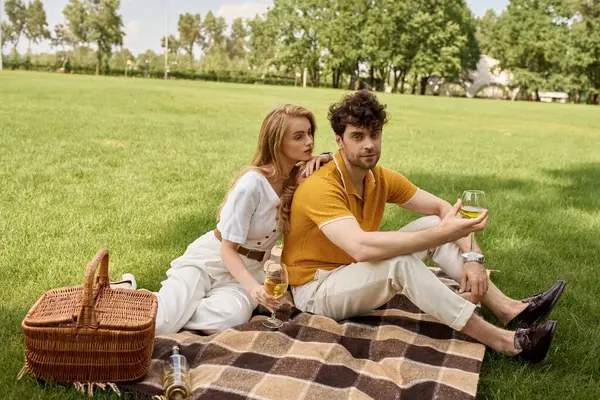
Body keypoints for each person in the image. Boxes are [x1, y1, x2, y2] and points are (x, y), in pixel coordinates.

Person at [282, 90, 565, 363]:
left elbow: (444, 210)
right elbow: (361, 247)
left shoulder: (378, 178)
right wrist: (443, 232)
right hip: (317, 289)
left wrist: (473, 258)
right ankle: (506, 342)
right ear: (339, 141)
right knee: (402, 262)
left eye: (375, 134)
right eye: (357, 136)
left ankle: (509, 310)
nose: (369, 144)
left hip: (354, 273)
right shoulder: (319, 186)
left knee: (433, 223)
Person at [116, 104, 332, 335]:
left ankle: (166, 304)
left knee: (228, 319)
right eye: (298, 137)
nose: (309, 142)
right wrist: (255, 290)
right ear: (277, 142)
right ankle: (136, 295)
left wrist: (325, 157)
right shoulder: (252, 185)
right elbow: (227, 250)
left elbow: (344, 160)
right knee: (161, 326)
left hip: (248, 272)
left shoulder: (299, 177)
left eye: (310, 133)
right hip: (210, 262)